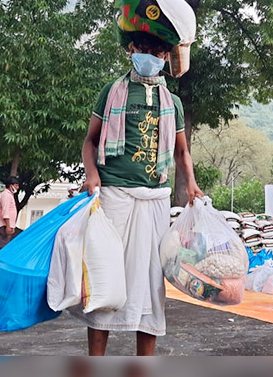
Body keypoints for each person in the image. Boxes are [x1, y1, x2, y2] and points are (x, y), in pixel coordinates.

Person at [77, 30, 203, 356]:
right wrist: (92, 176)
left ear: (166, 57)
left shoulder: (171, 102)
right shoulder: (113, 92)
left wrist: (190, 182)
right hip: (113, 197)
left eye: (159, 52)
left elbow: (181, 152)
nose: (151, 57)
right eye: (144, 49)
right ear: (132, 48)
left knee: (151, 284)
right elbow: (90, 141)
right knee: (105, 277)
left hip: (155, 201)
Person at [0, 176, 20, 275]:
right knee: (3, 248)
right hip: (4, 225)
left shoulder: (9, 195)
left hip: (6, 225)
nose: (17, 187)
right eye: (16, 185)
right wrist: (8, 225)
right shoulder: (6, 195)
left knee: (3, 248)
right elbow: (5, 212)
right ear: (11, 186)